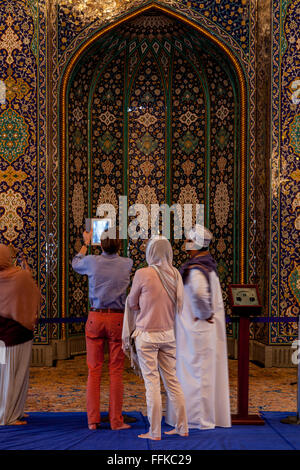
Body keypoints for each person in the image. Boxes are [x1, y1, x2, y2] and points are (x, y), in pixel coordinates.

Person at [166, 225, 231, 430]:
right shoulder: (207, 266)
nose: (186, 245)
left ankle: (197, 419)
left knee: (196, 374)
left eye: (188, 241)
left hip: (197, 331)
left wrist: (205, 314)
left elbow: (200, 295)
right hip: (198, 331)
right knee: (196, 372)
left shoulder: (196, 269)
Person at [126, 237, 188, 441]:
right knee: (172, 381)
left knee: (152, 383)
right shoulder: (176, 274)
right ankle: (182, 427)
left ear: (151, 252)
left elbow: (132, 302)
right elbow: (180, 305)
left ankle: (154, 431)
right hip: (169, 334)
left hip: (147, 336)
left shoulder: (143, 274)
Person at [72, 229, 133, 431]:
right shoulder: (127, 264)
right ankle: (116, 421)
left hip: (95, 317)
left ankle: (92, 421)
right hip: (117, 318)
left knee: (94, 371)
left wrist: (86, 243)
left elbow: (75, 262)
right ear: (119, 245)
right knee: (116, 372)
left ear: (100, 244)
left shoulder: (91, 260)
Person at [0, 244, 40, 426]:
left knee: (4, 376)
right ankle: (8, 416)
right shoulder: (19, 277)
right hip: (17, 336)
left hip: (3, 338)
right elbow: (34, 295)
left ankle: (13, 412)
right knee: (15, 375)